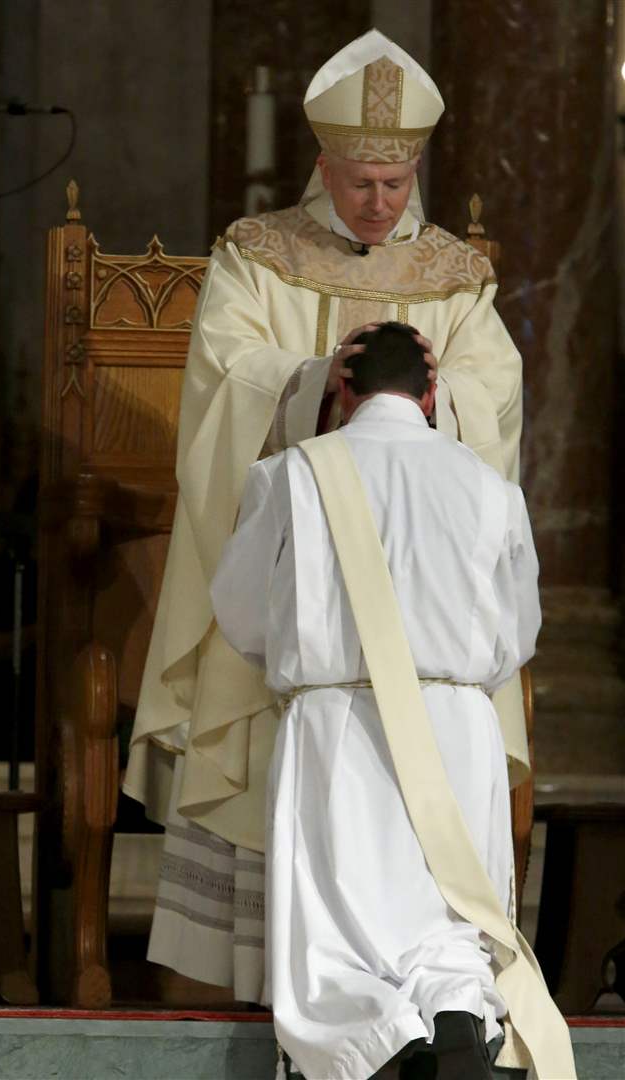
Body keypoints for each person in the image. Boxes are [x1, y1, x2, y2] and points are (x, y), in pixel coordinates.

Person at [124, 24, 531, 1000]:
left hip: (413, 583)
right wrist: (316, 380)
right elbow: (223, 379)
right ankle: (252, 982)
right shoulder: (258, 255)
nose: (380, 202)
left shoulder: (456, 277)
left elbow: (498, 402)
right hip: (297, 571)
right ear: (325, 160)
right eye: (360, 181)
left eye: (395, 183)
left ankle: (409, 992)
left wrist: (426, 392)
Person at [209, 322, 571, 1077]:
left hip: (336, 724)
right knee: (447, 921)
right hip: (458, 729)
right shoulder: (491, 488)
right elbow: (518, 633)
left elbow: (241, 614)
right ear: (432, 393)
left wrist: (312, 659)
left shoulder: (292, 474)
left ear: (342, 390)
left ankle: (383, 1043)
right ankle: (458, 1018)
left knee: (340, 933)